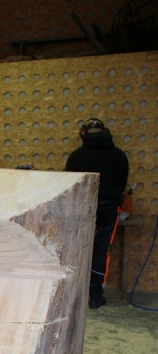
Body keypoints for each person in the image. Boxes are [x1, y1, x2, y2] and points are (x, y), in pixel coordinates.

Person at [65, 118, 129, 309]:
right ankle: (95, 296)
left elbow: (69, 185)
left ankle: (74, 295)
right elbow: (121, 184)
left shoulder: (76, 156)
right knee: (101, 251)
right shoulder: (119, 156)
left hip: (81, 208)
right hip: (109, 208)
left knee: (78, 249)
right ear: (105, 131)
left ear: (84, 133)